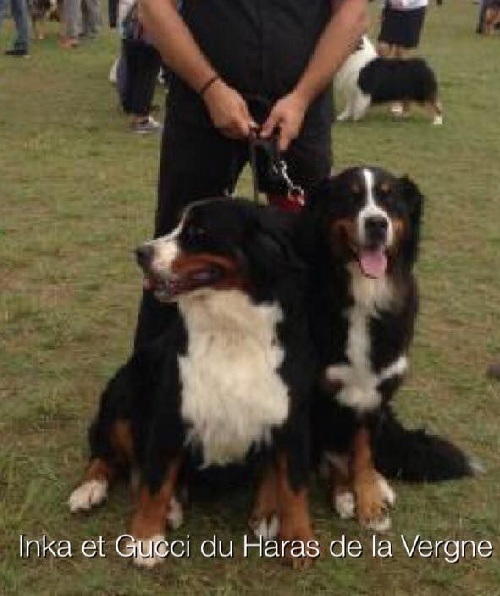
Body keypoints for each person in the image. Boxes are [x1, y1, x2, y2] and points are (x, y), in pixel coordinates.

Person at [134, 0, 368, 349]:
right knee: (177, 246)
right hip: (200, 105)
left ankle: (304, 374)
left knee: (310, 247)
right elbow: (152, 7)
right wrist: (210, 87)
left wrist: (301, 97)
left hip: (299, 109)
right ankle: (153, 383)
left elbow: (353, 13)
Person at [116, 1, 162, 133]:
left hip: (132, 26)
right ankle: (141, 118)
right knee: (146, 73)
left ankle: (131, 105)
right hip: (147, 30)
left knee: (134, 69)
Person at [377, 0, 429, 116]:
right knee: (383, 49)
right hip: (392, 8)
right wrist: (384, 7)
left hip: (413, 10)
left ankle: (404, 100)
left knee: (403, 54)